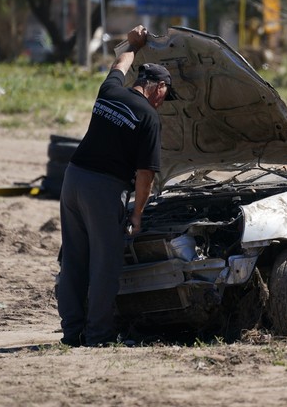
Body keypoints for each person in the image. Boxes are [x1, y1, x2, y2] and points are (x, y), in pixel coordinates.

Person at [57, 25, 175, 347]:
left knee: (74, 260)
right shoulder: (149, 118)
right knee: (105, 265)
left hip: (73, 179)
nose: (164, 102)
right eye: (167, 95)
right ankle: (98, 337)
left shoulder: (110, 91)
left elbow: (118, 67)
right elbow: (145, 175)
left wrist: (134, 45)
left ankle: (71, 332)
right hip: (103, 189)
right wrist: (137, 214)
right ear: (159, 88)